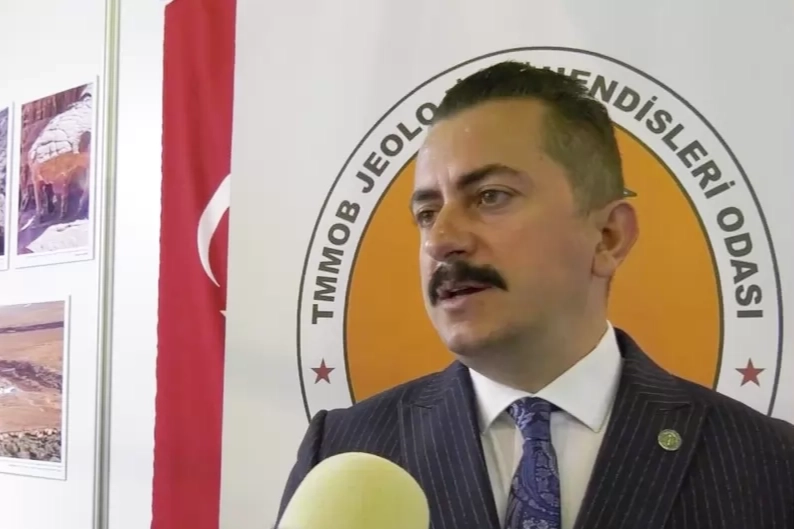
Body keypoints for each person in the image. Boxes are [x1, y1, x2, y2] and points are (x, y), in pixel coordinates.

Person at [277, 61, 794, 529]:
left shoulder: (770, 465)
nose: (441, 240)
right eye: (427, 213)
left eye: (490, 196)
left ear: (608, 237)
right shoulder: (344, 452)